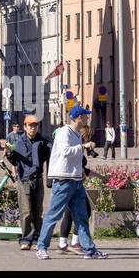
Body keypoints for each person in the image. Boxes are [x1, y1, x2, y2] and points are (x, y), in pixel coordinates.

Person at [35, 106, 106, 260]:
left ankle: (89, 249)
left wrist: (80, 169)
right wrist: (83, 146)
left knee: (81, 216)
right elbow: (65, 152)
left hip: (75, 180)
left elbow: (76, 157)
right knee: (54, 214)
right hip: (63, 179)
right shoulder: (64, 132)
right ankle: (41, 247)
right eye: (85, 116)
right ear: (78, 117)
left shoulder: (76, 134)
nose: (87, 119)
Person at [1, 115, 50, 251]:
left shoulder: (43, 142)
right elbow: (14, 161)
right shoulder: (19, 142)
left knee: (38, 211)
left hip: (38, 180)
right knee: (26, 212)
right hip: (24, 180)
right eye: (30, 125)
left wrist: (50, 179)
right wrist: (9, 152)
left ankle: (36, 238)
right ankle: (26, 239)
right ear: (25, 127)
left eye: (35, 125)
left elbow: (50, 158)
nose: (32, 128)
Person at [55, 120, 97, 252]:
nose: (89, 140)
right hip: (70, 181)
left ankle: (69, 241)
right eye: (88, 137)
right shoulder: (76, 147)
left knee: (76, 211)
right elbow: (74, 163)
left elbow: (82, 166)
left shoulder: (79, 147)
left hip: (76, 182)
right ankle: (68, 242)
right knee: (75, 211)